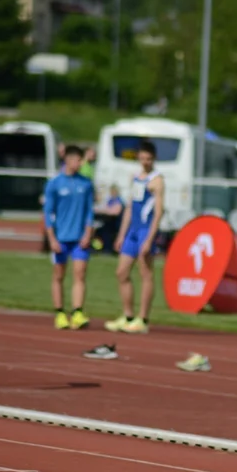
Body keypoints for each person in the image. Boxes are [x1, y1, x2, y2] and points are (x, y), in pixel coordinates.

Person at [107, 140, 164, 335]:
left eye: (149, 158)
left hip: (145, 231)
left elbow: (158, 213)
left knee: (145, 274)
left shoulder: (157, 180)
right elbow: (130, 207)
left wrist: (149, 239)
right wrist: (121, 234)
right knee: (121, 272)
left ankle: (143, 319)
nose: (145, 161)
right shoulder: (135, 178)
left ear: (153, 158)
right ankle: (128, 315)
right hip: (132, 231)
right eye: (142, 157)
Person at [42, 145, 95, 330]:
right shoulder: (54, 183)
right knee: (59, 275)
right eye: (78, 160)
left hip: (80, 239)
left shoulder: (86, 183)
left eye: (82, 160)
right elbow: (48, 213)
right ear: (68, 159)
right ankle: (59, 312)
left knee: (80, 274)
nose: (81, 163)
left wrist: (88, 233)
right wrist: (52, 238)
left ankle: (78, 312)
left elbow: (90, 211)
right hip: (61, 238)